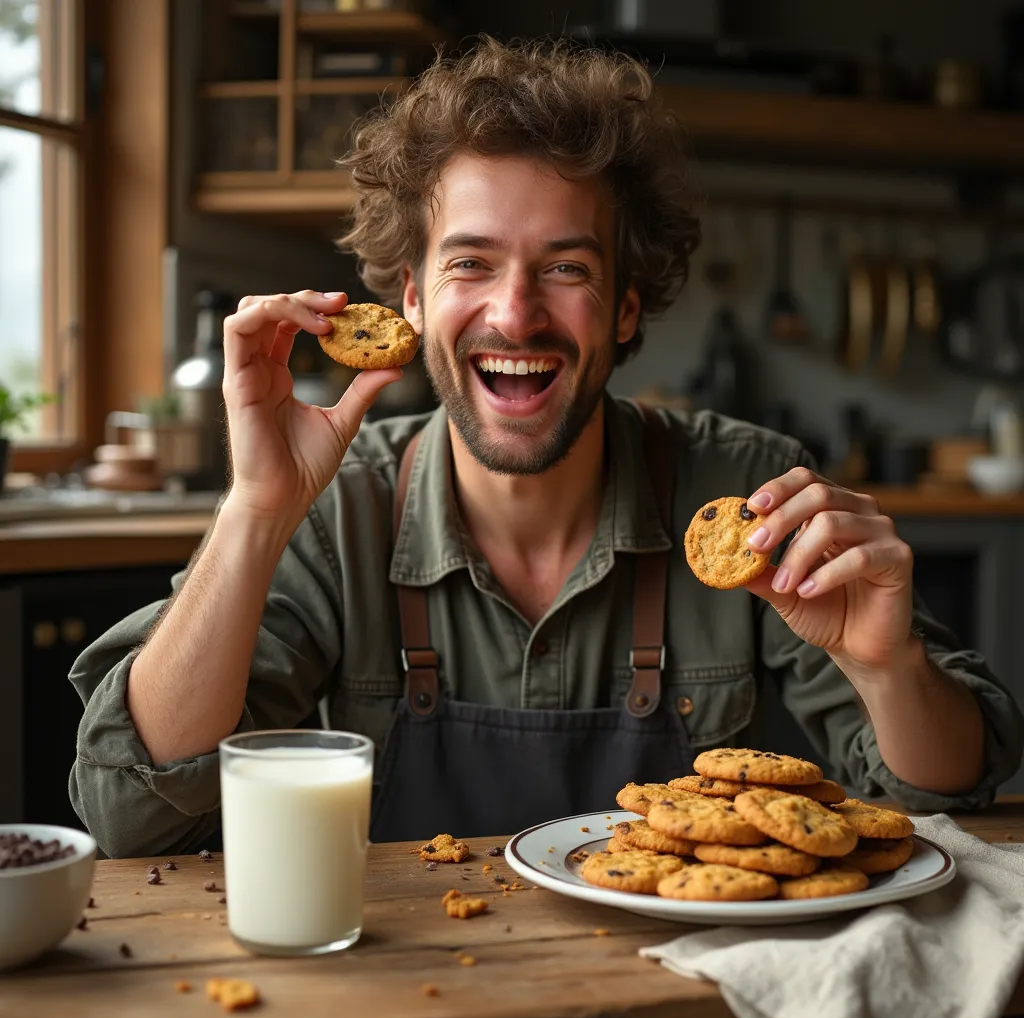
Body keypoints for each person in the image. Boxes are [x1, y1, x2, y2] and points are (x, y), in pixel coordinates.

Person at [70, 38, 1022, 858]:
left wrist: (889, 669)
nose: (515, 312)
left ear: (625, 307)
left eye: (565, 268)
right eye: (471, 263)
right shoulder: (335, 506)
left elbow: (949, 797)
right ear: (410, 300)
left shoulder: (744, 489)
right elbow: (131, 812)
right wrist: (256, 507)